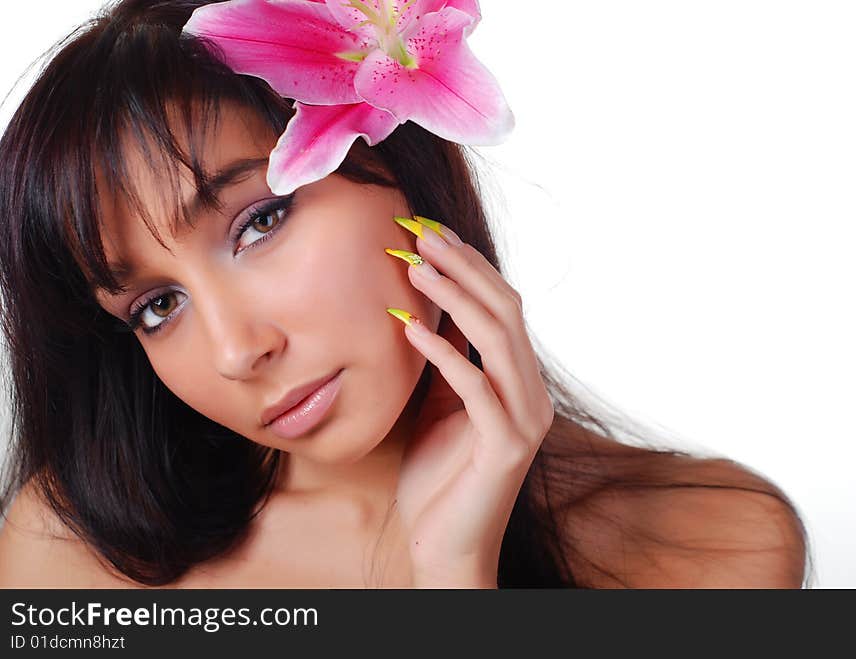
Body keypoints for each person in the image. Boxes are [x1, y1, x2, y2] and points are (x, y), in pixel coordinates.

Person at [0, 0, 810, 588]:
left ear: (405, 170)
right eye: (156, 305)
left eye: (260, 221)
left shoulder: (712, 546)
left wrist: (455, 574)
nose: (235, 349)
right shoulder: (73, 558)